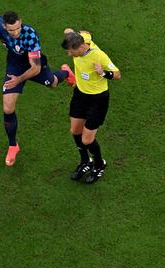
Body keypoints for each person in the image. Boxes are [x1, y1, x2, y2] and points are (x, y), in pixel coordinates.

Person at [0, 11, 75, 166]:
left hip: (33, 65)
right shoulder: (0, 24)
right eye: (11, 30)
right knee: (8, 108)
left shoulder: (30, 35)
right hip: (14, 64)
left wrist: (18, 80)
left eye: (18, 28)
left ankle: (66, 72)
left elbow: (35, 68)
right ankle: (13, 145)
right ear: (5, 26)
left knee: (52, 83)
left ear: (21, 22)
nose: (15, 32)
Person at [61, 29, 121, 184]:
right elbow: (70, 30)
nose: (69, 55)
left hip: (98, 100)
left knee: (87, 140)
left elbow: (117, 74)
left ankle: (99, 164)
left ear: (80, 47)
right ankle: (85, 161)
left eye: (71, 52)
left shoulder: (99, 55)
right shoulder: (82, 38)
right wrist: (70, 32)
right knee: (75, 131)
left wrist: (102, 73)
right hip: (80, 95)